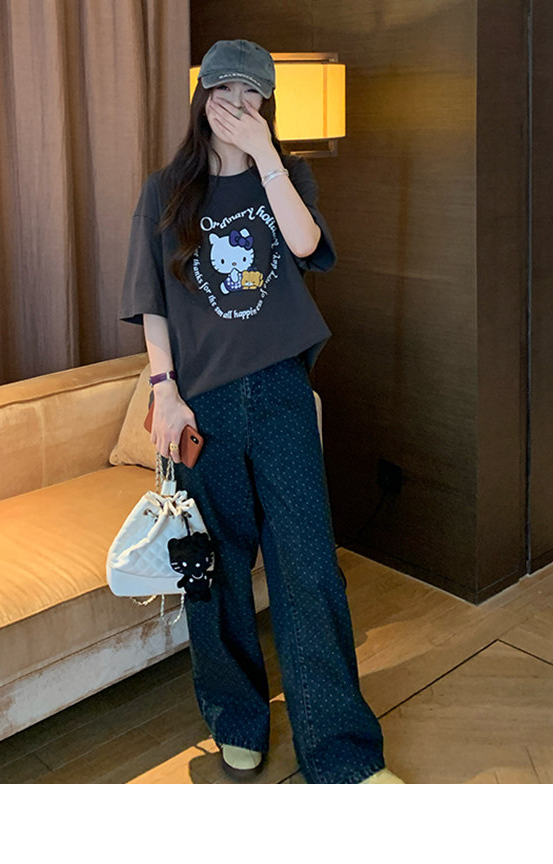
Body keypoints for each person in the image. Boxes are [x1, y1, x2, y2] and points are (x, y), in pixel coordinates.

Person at [119, 39, 401, 785]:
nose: (237, 105)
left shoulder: (288, 175)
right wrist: (164, 390)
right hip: (202, 402)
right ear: (203, 99)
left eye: (253, 94)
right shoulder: (166, 191)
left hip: (280, 392)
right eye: (225, 91)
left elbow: (306, 244)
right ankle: (237, 721)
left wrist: (266, 155)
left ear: (266, 106)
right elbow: (152, 300)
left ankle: (341, 755)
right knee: (214, 572)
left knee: (309, 566)